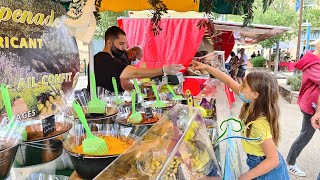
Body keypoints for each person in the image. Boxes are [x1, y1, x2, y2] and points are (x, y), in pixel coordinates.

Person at [192, 61, 290, 180]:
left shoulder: (259, 124)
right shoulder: (250, 103)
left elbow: (273, 160)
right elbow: (227, 80)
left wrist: (247, 176)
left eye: (243, 85)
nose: (239, 87)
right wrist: (207, 67)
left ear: (255, 95)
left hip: (267, 171)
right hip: (258, 163)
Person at [88, 26, 184, 93]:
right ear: (109, 43)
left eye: (125, 44)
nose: (124, 48)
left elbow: (124, 81)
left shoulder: (114, 59)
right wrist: (163, 70)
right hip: (99, 110)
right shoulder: (102, 60)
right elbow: (135, 73)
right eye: (121, 44)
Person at [286, 40, 320, 177]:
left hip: (312, 105)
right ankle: (290, 162)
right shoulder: (313, 63)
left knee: (305, 134)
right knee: (305, 135)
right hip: (311, 107)